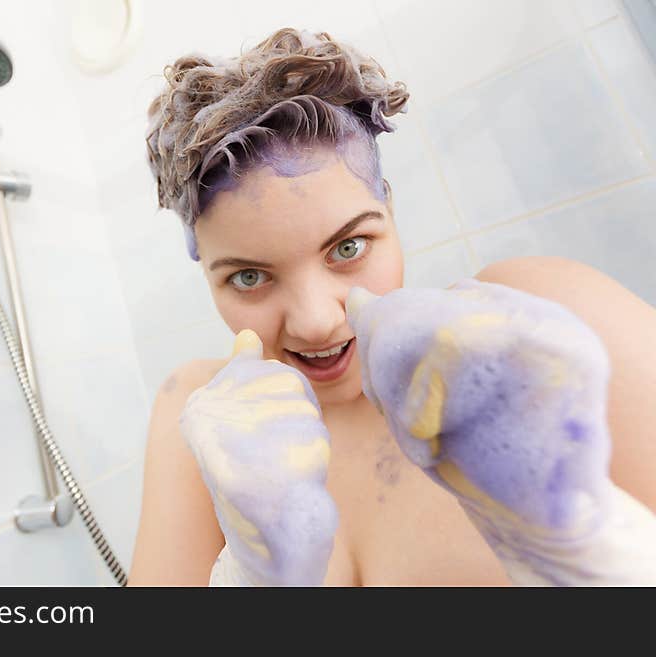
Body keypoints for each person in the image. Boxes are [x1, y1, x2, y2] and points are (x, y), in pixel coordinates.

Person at [129, 27, 656, 586]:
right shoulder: (202, 423)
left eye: (348, 248)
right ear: (208, 274)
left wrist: (588, 544)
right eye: (250, 276)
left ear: (390, 210)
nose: (316, 320)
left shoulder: (531, 322)